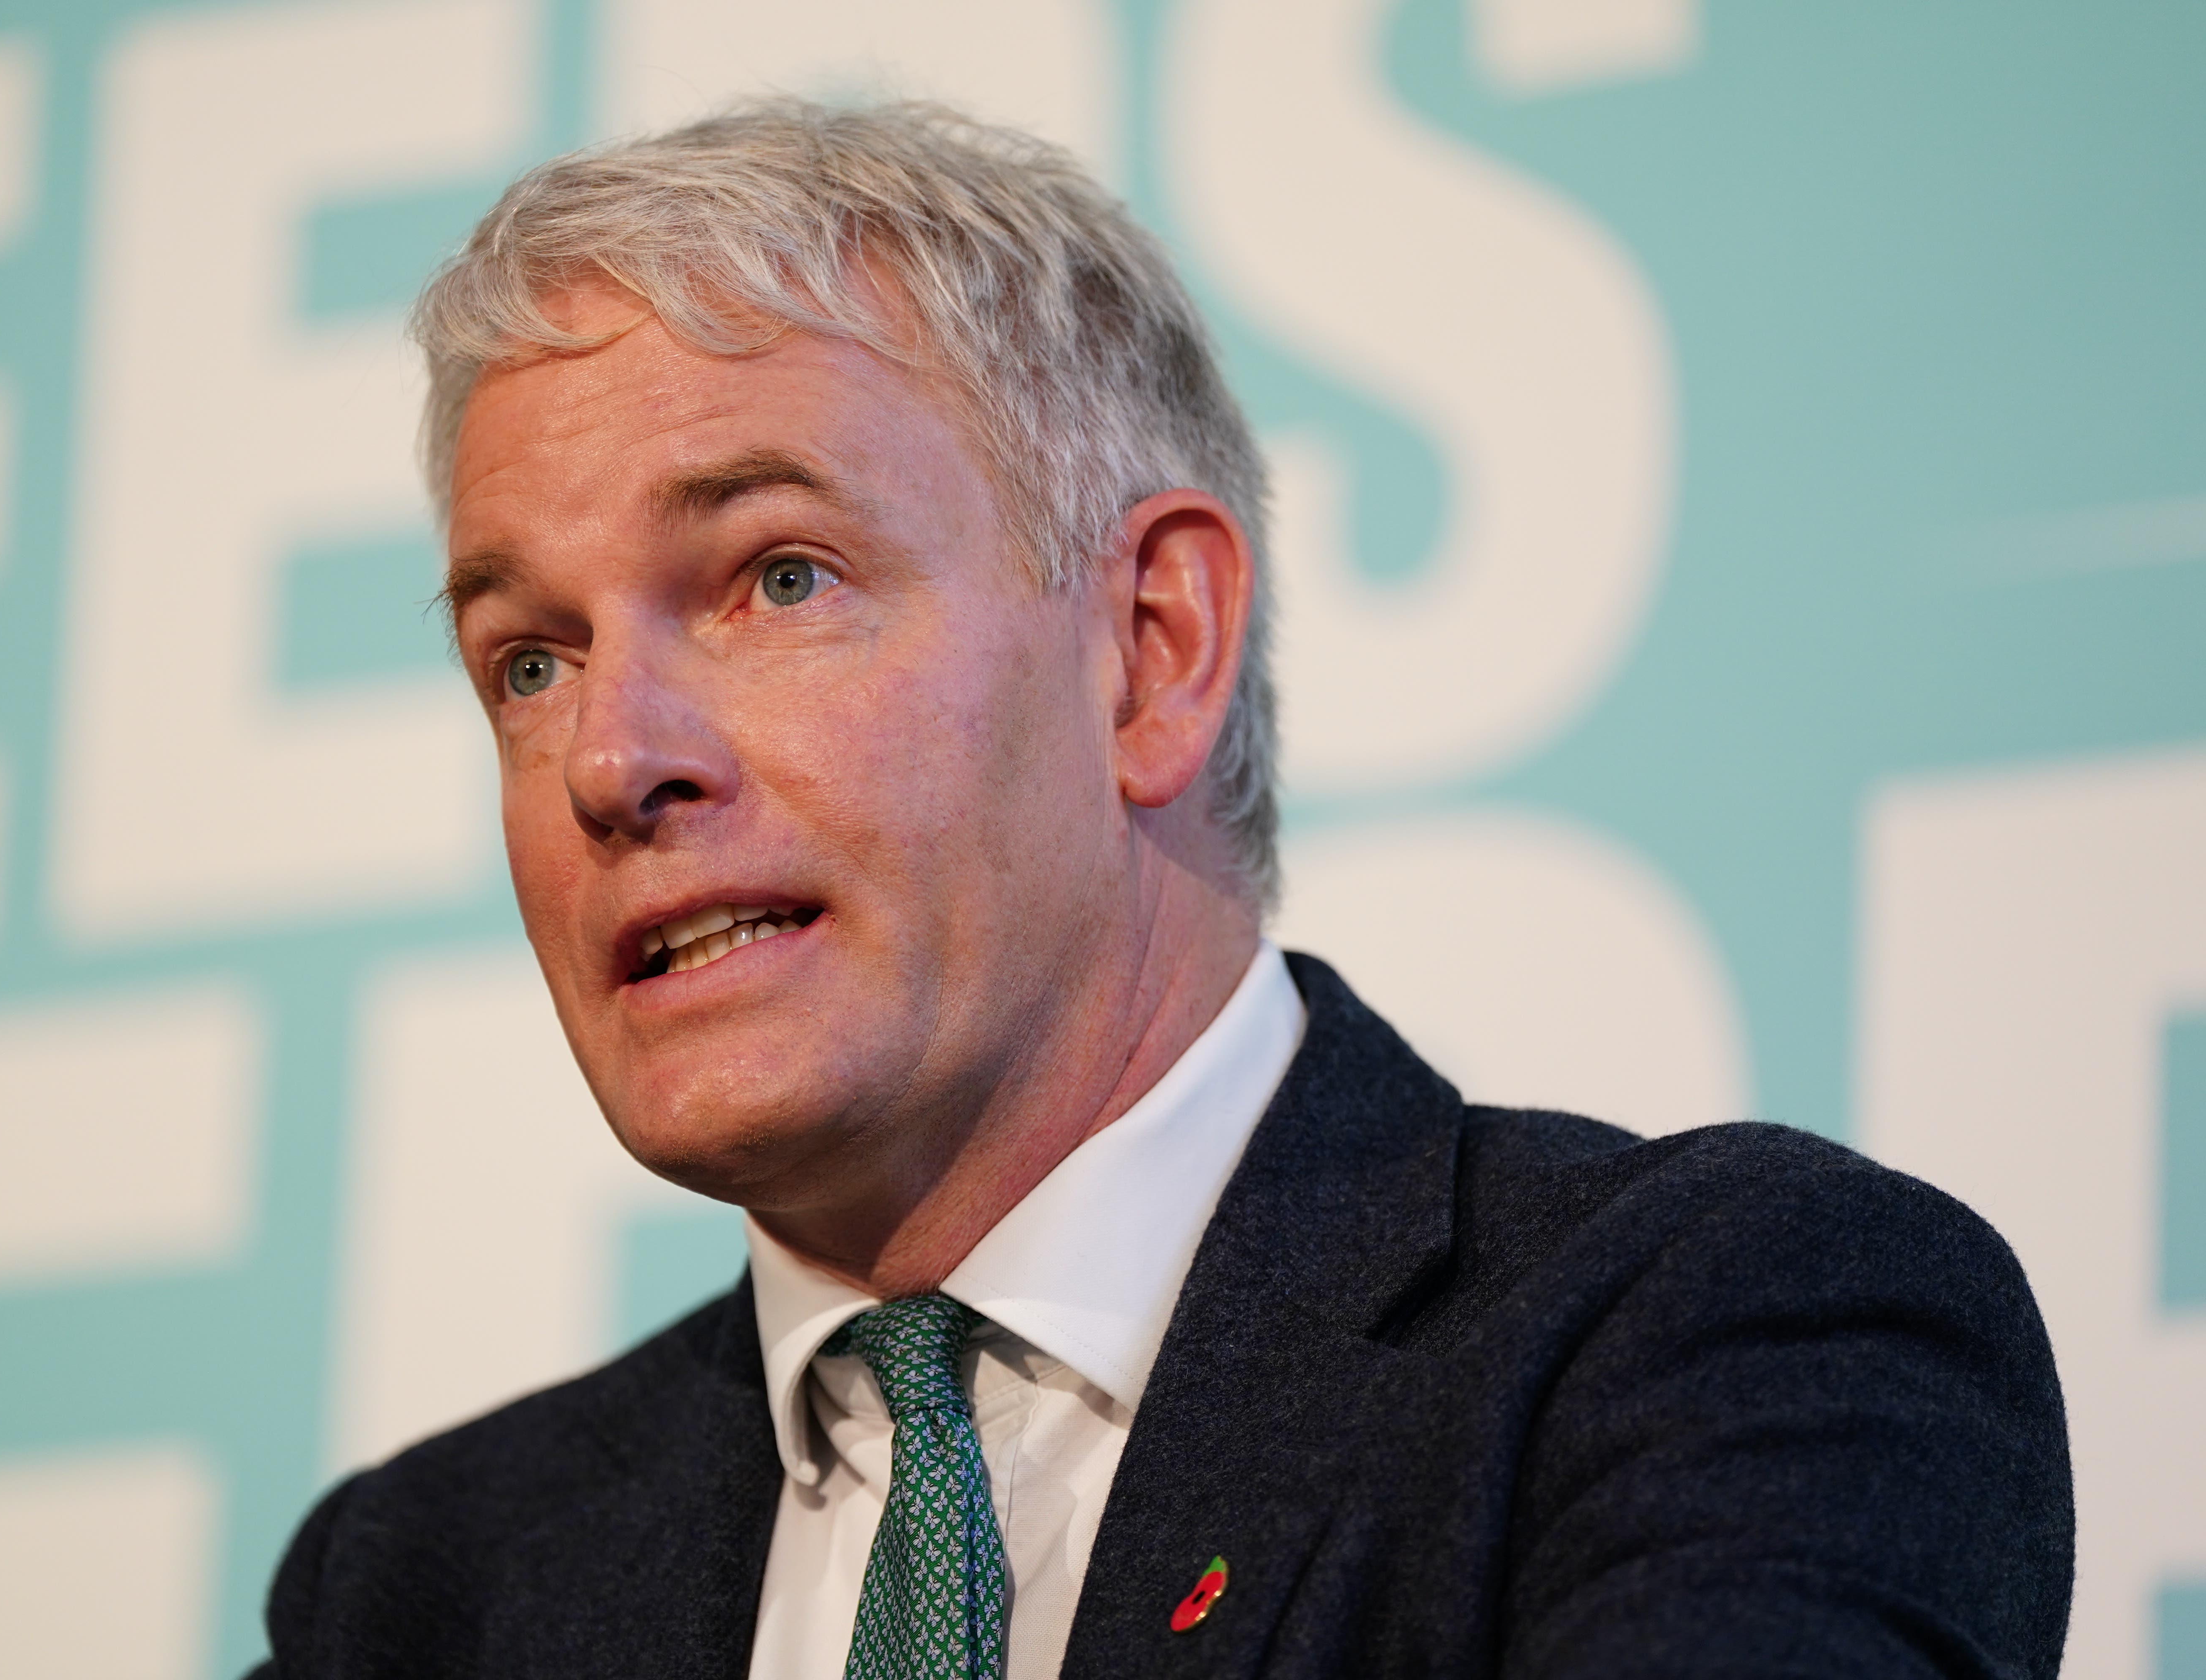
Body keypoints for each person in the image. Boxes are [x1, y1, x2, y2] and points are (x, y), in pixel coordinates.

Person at [251, 100, 2071, 1680]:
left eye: (776, 577)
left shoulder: (1711, 1343)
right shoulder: (425, 1591)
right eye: (527, 659)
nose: (608, 759)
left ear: (1149, 648)